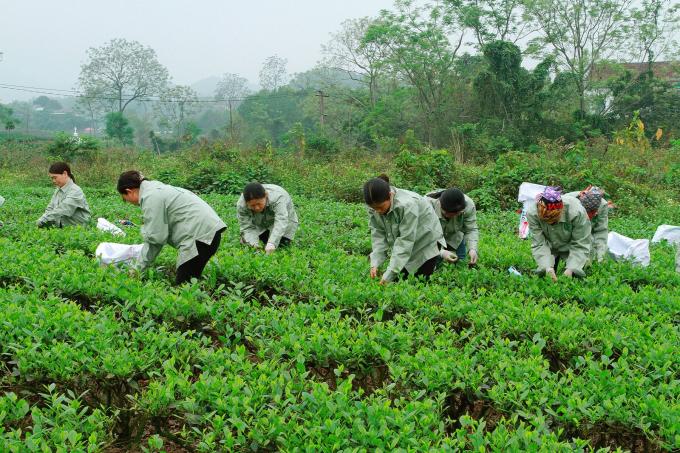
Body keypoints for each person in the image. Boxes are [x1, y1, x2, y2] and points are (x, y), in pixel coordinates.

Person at [117, 171, 226, 285]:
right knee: (189, 282)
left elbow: (155, 239)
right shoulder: (156, 188)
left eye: (125, 199)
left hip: (200, 237)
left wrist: (136, 271)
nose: (129, 202)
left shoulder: (151, 197)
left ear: (129, 192)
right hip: (209, 233)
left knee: (183, 288)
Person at [364, 175, 446, 284]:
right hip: (408, 241)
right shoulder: (373, 207)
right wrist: (375, 263)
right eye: (374, 208)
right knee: (399, 280)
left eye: (380, 207)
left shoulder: (407, 205)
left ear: (390, 195)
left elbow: (405, 240)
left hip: (426, 242)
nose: (377, 211)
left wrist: (390, 273)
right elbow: (378, 234)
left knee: (418, 283)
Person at [526, 186, 591, 282]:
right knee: (545, 275)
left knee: (578, 273)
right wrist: (547, 267)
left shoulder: (576, 212)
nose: (551, 223)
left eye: (554, 220)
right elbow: (539, 243)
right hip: (550, 244)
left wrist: (571, 268)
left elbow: (581, 242)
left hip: (570, 244)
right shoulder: (532, 213)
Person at [237, 182, 298, 254]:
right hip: (260, 221)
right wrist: (254, 246)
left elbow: (281, 221)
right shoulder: (242, 204)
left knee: (282, 245)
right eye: (252, 205)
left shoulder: (278, 197)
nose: (256, 208)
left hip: (284, 220)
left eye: (259, 203)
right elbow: (246, 227)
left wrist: (272, 243)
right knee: (250, 243)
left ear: (266, 195)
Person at [425, 188, 479, 265]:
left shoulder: (468, 206)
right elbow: (422, 235)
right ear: (440, 206)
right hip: (433, 238)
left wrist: (472, 249)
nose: (451, 217)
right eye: (448, 214)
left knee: (460, 263)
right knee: (432, 265)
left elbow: (471, 229)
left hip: (455, 235)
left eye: (456, 214)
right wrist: (441, 252)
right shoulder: (426, 205)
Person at [36, 162, 91, 228]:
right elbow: (50, 207)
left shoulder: (76, 191)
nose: (53, 181)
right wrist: (42, 219)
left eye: (55, 177)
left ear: (65, 174)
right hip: (62, 228)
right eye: (52, 178)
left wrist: (43, 220)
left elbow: (63, 209)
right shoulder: (58, 189)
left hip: (78, 229)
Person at [566, 186, 609, 262]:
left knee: (589, 244)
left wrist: (601, 257)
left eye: (593, 212)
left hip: (587, 234)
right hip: (567, 231)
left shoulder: (603, 206)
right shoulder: (568, 200)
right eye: (587, 213)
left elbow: (601, 231)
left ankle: (585, 267)